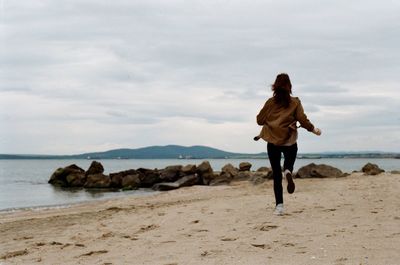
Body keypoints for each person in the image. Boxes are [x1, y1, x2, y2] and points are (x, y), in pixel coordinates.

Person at [256, 73, 321, 215]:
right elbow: (302, 120)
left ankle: (279, 206)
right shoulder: (295, 102)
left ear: (275, 87)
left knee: (276, 175)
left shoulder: (270, 103)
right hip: (289, 140)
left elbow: (259, 120)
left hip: (272, 141)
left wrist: (270, 119)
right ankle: (288, 170)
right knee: (290, 157)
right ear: (289, 87)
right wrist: (313, 129)